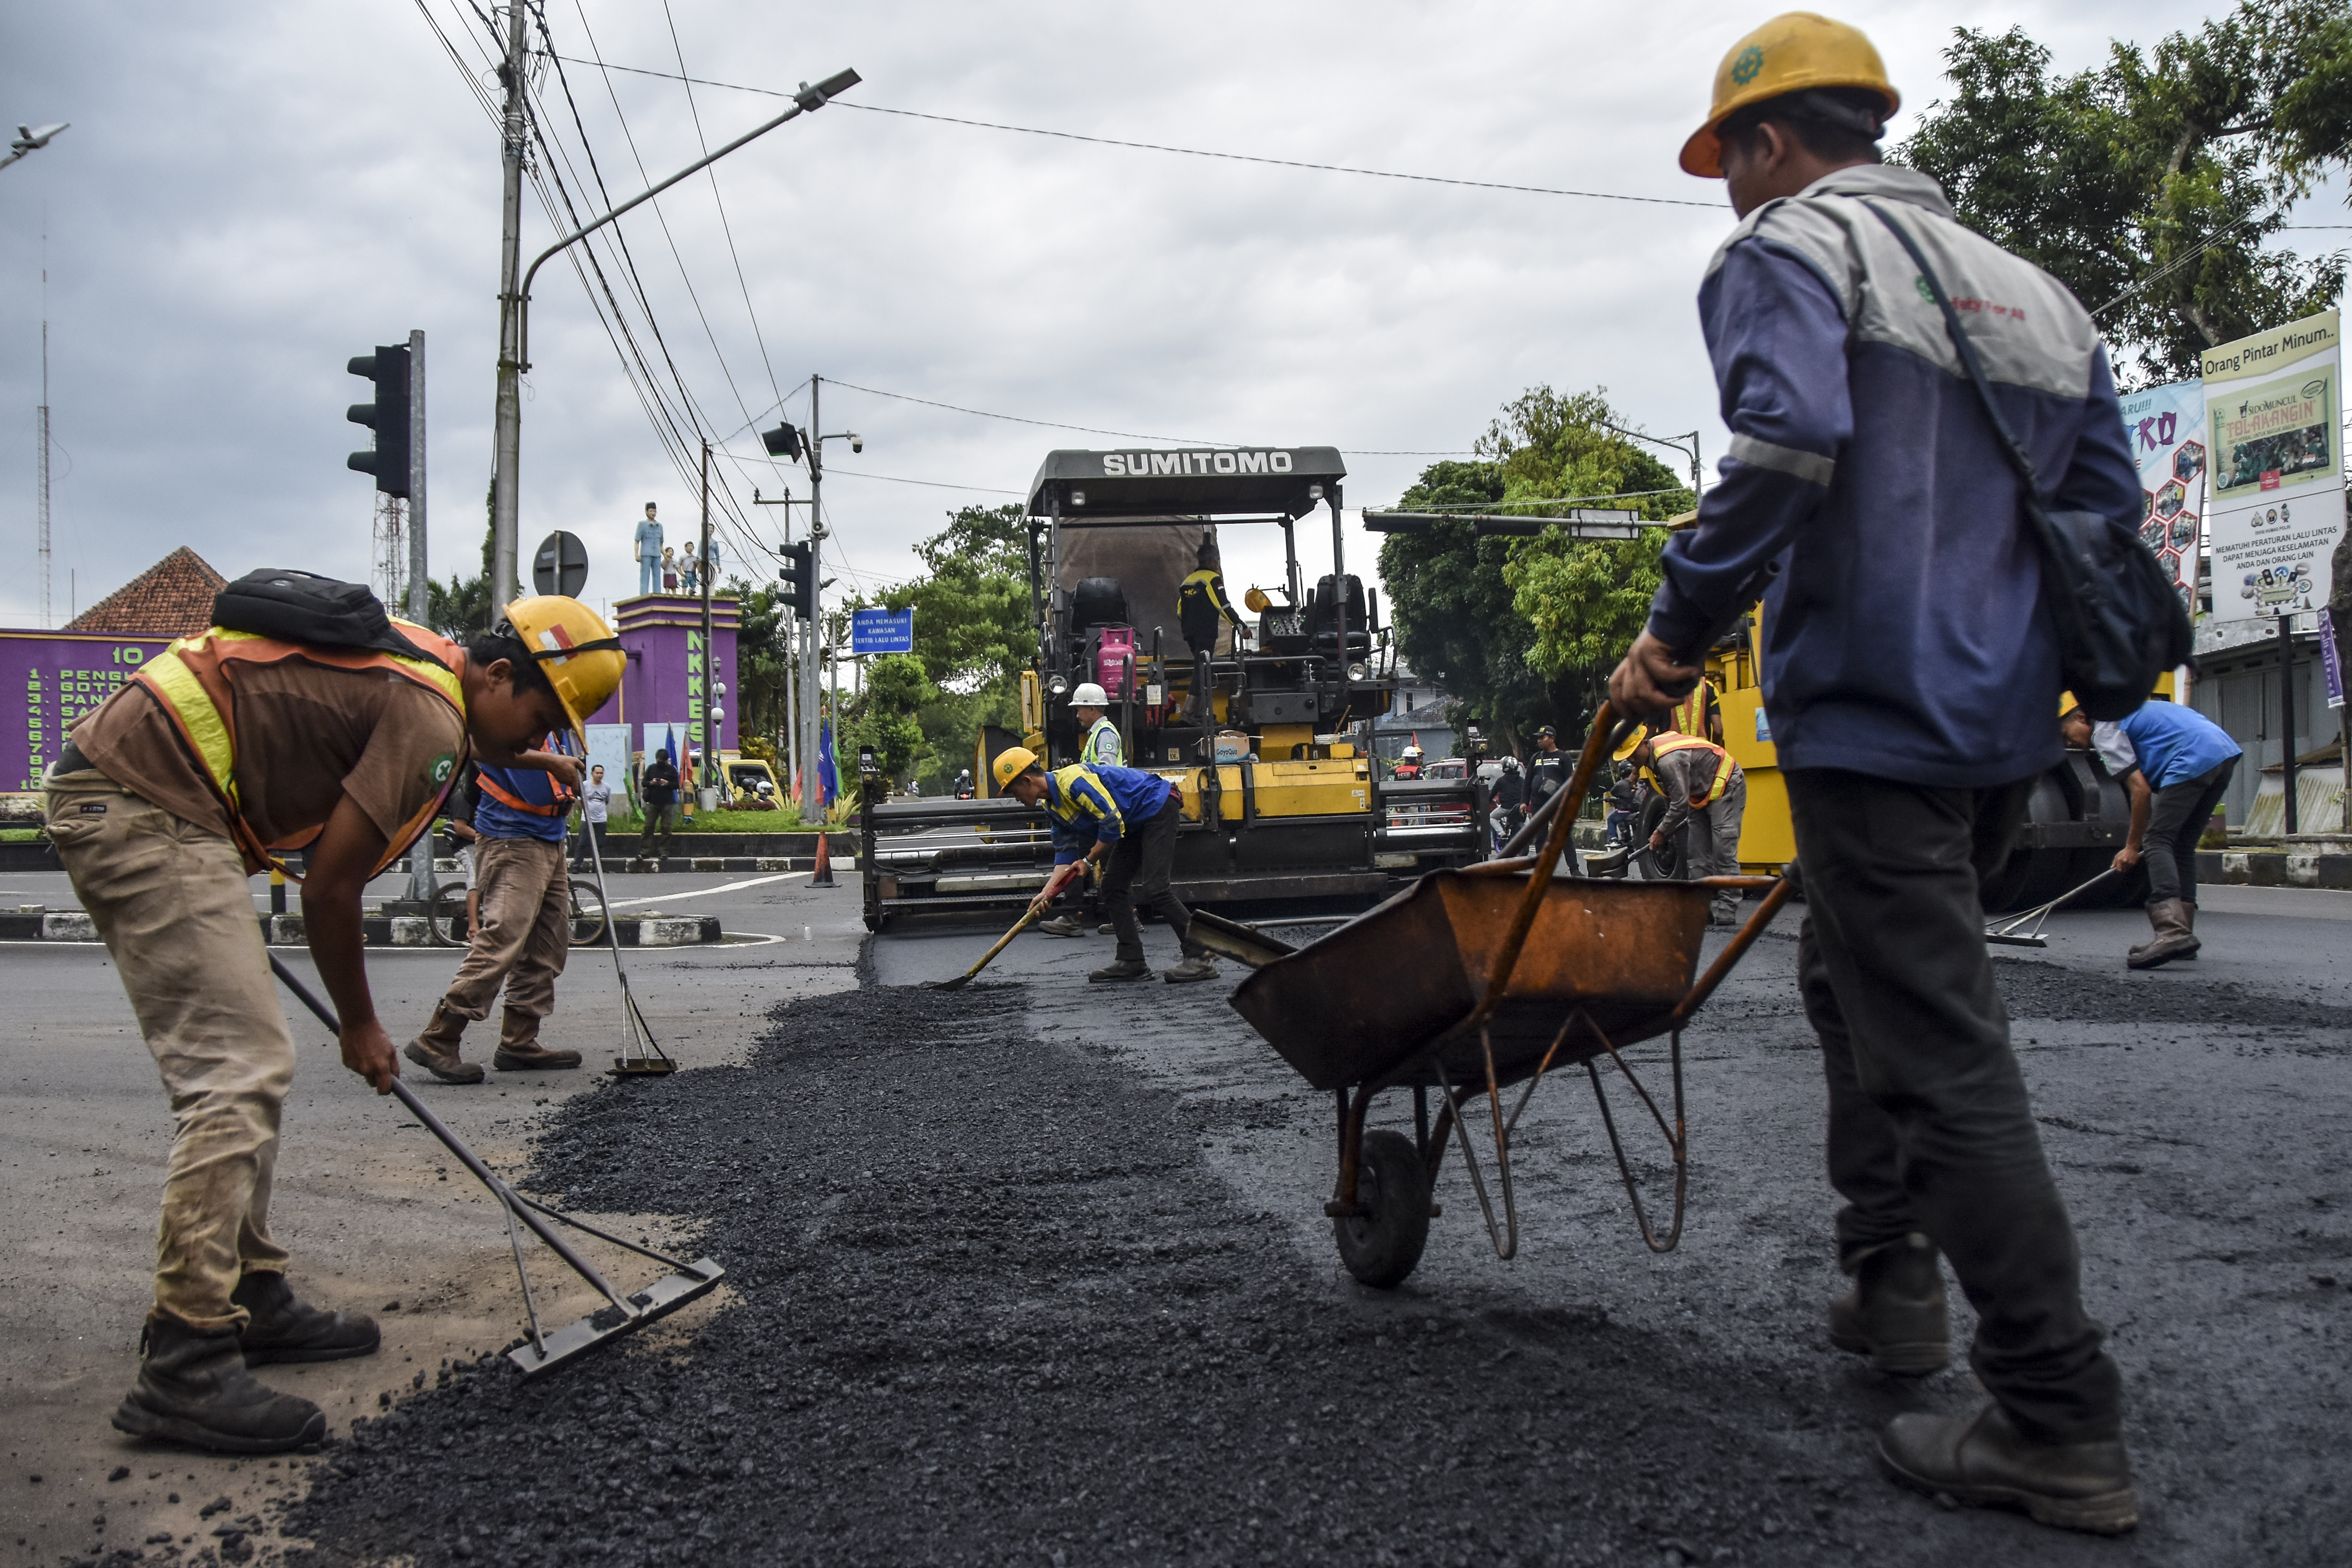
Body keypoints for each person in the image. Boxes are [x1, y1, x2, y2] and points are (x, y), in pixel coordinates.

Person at [1608, 13, 2142, 1534]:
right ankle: (1888, 1281)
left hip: (1871, 709)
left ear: (1771, 142)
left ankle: (2055, 1414)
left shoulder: (1789, 251)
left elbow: (1785, 449)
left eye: (1729, 163)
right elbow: (2105, 511)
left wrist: (1673, 635)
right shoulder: (2037, 296)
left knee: (1937, 1044)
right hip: (1999, 726)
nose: (1729, 193)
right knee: (1850, 980)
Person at [44, 587, 615, 1453]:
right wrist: (361, 1024)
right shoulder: (430, 715)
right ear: (499, 675)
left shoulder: (431, 665)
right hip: (142, 802)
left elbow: (432, 755)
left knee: (256, 1059)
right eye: (541, 720)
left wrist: (534, 758)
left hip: (157, 793)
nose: (537, 742)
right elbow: (331, 888)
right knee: (236, 1070)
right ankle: (186, 1359)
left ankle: (252, 1293)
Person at [406, 614, 613, 1082]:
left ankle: (520, 1039)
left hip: (550, 835)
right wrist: (551, 762)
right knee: (503, 936)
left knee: (548, 945)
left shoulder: (549, 709)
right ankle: (441, 1035)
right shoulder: (493, 706)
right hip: (511, 835)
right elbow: (474, 745)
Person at [994, 746, 1217, 984]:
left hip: (1156, 806)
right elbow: (1065, 857)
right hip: (1133, 821)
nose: (1016, 798)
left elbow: (1111, 824)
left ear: (1027, 781)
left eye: (1013, 791)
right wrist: (1046, 894)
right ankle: (1132, 961)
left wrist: (1088, 862)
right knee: (1112, 886)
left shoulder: (1074, 782)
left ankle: (1200, 956)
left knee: (1156, 888)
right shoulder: (1053, 808)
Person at [2062, 696, 2240, 967]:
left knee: (2157, 840)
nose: (2069, 743)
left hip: (2194, 755)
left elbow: (2141, 791)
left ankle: (2172, 932)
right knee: (2181, 845)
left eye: (2066, 734)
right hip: (2222, 752)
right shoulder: (2126, 710)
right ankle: (2183, 935)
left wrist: (2132, 847)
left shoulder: (2105, 731)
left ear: (2081, 718)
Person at [1617, 725, 1745, 924]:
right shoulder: (1650, 756)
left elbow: (1679, 805)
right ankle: (1701, 907)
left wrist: (1661, 832)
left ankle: (1728, 906)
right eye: (1628, 757)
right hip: (1699, 792)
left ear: (1645, 744)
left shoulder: (1668, 762)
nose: (1632, 760)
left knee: (1723, 849)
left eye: (1634, 754)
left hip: (1726, 784)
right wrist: (1633, 776)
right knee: (1697, 852)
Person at [1037, 683, 1126, 938]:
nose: (1077, 715)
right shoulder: (1095, 736)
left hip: (1099, 811)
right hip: (1099, 810)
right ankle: (1126, 916)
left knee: (1081, 858)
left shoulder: (1105, 735)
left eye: (1080, 709)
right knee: (1110, 863)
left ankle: (1072, 916)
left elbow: (1106, 773)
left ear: (1093, 709)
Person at [1177, 536, 1244, 726]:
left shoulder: (1187, 582)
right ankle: (1189, 713)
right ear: (1211, 561)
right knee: (1202, 670)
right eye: (1217, 561)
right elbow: (1224, 606)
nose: (1217, 564)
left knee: (1203, 669)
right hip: (1206, 632)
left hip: (1189, 633)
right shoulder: (1213, 579)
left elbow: (1180, 611)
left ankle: (1201, 713)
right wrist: (1241, 625)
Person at [639, 747, 681, 862]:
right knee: (648, 827)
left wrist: (667, 783)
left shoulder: (671, 770)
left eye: (662, 760)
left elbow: (677, 785)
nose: (660, 762)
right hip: (653, 802)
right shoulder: (652, 768)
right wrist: (652, 783)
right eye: (659, 760)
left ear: (666, 760)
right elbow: (644, 783)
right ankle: (645, 852)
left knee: (666, 828)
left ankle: (663, 852)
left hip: (667, 803)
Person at [1525, 725, 1570, 812]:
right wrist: (1524, 802)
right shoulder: (1535, 757)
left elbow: (1569, 781)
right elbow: (1528, 781)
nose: (1539, 741)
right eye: (1538, 738)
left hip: (1556, 803)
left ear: (1552, 739)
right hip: (1538, 804)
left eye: (1543, 738)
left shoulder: (1564, 757)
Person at [579, 762, 613, 867]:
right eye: (597, 773)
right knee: (582, 843)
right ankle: (576, 866)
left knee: (600, 844)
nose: (599, 775)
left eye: (601, 773)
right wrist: (586, 812)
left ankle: (597, 866)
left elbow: (606, 801)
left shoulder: (607, 787)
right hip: (587, 819)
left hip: (601, 820)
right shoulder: (585, 785)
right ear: (592, 774)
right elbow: (580, 801)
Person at [1491, 754, 1527, 850]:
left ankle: (1502, 833)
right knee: (1528, 824)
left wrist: (1488, 801)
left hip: (1505, 808)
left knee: (1492, 817)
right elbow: (1527, 792)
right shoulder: (1522, 781)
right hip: (1519, 808)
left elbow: (1493, 794)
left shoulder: (1501, 781)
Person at [635, 503, 663, 597]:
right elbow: (637, 541)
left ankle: (658, 594)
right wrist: (636, 554)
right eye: (651, 511)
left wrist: (665, 554)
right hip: (646, 554)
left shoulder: (660, 526)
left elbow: (661, 544)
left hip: (657, 554)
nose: (653, 513)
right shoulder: (642, 525)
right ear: (646, 512)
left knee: (657, 575)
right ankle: (644, 595)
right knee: (645, 575)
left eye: (655, 511)